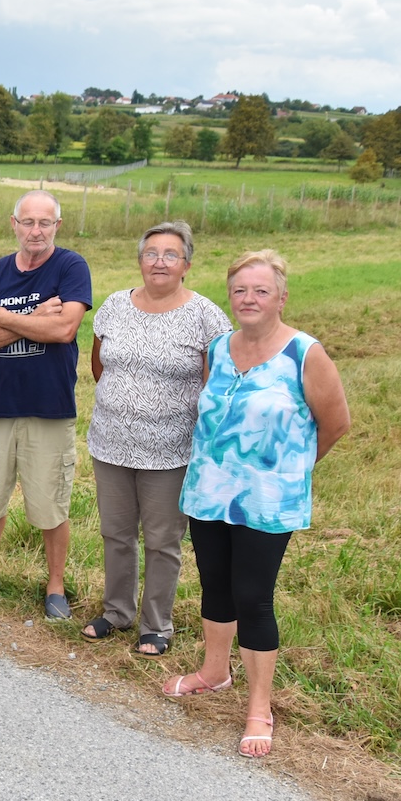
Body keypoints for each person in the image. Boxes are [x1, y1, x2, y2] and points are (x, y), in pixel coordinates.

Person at [163, 249, 349, 759]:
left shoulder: (305, 354)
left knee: (253, 596)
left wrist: (291, 471)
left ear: (282, 298)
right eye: (241, 289)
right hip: (208, 493)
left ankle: (259, 706)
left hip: (267, 502)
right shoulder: (218, 348)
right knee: (215, 585)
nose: (249, 299)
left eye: (261, 290)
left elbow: (335, 424)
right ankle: (214, 672)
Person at [84, 221, 231, 656]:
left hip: (170, 452)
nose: (160, 262)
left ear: (187, 263)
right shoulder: (114, 305)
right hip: (110, 444)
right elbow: (100, 366)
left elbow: (215, 385)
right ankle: (116, 612)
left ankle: (155, 624)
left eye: (170, 254)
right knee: (116, 532)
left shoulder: (205, 315)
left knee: (163, 540)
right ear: (140, 260)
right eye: (151, 253)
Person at [0, 191, 93, 620]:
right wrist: (36, 316)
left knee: (50, 503)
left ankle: (54, 586)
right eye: (28, 222)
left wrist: (1, 316)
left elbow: (65, 329)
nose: (36, 231)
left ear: (58, 225)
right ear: (13, 223)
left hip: (49, 406)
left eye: (45, 223)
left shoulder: (70, 266)